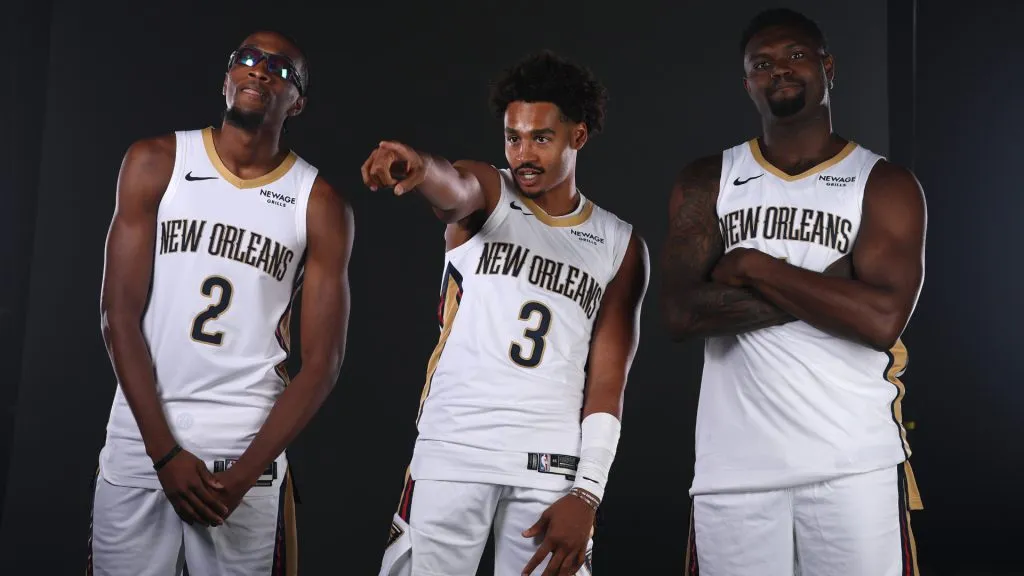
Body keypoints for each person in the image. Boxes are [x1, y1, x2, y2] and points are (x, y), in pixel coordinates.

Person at [661, 8, 926, 576]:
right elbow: (680, 313)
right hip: (734, 472)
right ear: (747, 82)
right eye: (762, 63)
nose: (779, 70)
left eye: (796, 56)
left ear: (828, 68)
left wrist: (757, 266)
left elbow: (881, 320)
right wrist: (834, 290)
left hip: (852, 463)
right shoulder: (710, 179)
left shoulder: (883, 183)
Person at [363, 51, 649, 576]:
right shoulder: (490, 191)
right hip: (456, 451)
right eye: (513, 137)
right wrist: (419, 168)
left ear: (578, 137)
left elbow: (608, 381)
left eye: (541, 137)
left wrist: (588, 493)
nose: (523, 153)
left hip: (552, 468)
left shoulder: (619, 243)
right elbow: (453, 189)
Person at [89, 30, 353, 575]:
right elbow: (118, 316)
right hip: (142, 436)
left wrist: (242, 474)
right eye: (248, 60)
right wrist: (164, 452)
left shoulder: (319, 202)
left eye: (280, 68)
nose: (260, 71)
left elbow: (322, 365)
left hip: (244, 451)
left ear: (297, 101)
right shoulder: (156, 160)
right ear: (227, 78)